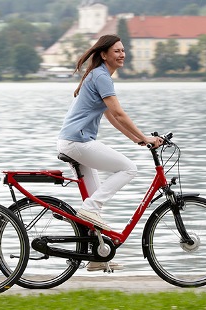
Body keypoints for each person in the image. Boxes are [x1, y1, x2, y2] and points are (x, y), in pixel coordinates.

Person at [57, 34, 162, 271]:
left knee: (95, 201)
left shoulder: (98, 75)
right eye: (116, 51)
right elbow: (119, 112)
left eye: (123, 50)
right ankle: (89, 211)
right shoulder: (101, 77)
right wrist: (145, 138)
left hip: (72, 142)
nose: (122, 54)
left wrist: (137, 139)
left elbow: (112, 117)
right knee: (128, 168)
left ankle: (97, 256)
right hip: (77, 142)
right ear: (104, 54)